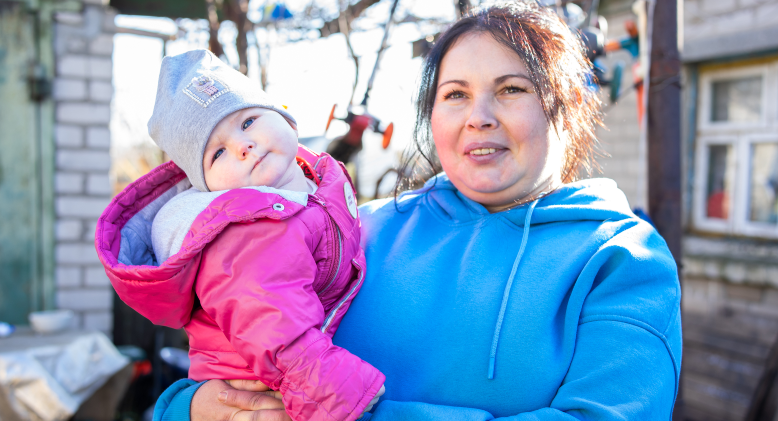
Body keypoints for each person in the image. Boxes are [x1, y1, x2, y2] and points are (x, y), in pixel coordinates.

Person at [152, 1, 682, 420]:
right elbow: (233, 348)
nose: (479, 117)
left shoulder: (620, 260)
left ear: (565, 106)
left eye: (511, 89)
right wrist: (190, 409)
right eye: (455, 95)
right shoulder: (359, 231)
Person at [94, 49, 385, 421]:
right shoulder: (249, 232)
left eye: (247, 122)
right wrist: (338, 395)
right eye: (217, 154)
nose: (242, 146)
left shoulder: (313, 190)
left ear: (286, 119)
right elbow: (276, 331)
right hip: (266, 393)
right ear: (207, 187)